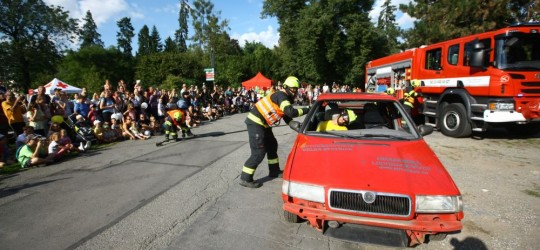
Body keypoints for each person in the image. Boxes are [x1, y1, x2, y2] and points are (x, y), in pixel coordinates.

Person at [239, 76, 309, 188]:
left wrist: (293, 124)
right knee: (259, 152)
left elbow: (285, 114)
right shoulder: (281, 95)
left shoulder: (285, 97)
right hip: (256, 122)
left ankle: (274, 171)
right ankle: (245, 178)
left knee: (272, 145)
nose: (295, 91)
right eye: (293, 89)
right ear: (286, 87)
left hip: (264, 124)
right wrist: (308, 109)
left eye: (296, 89)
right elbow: (290, 112)